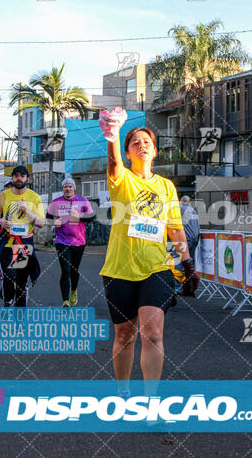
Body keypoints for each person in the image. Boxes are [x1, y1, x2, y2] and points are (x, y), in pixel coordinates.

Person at [98, 109, 200, 397]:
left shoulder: (167, 187)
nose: (141, 145)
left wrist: (188, 265)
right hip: (119, 270)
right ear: (129, 153)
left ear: (155, 152)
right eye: (135, 143)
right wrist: (113, 135)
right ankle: (123, 391)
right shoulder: (122, 180)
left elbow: (175, 229)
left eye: (146, 142)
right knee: (124, 336)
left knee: (153, 335)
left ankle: (152, 400)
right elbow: (113, 162)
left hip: (156, 268)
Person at [0, 165, 45, 307]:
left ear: (28, 178)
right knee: (8, 278)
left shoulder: (34, 197)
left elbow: (41, 223)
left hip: (22, 245)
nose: (19, 178)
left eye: (22, 176)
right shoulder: (4, 195)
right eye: (16, 175)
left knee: (20, 283)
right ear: (12, 178)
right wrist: (0, 220)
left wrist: (27, 211)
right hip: (6, 243)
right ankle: (8, 301)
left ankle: (19, 320)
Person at [47, 177, 95, 307]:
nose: (68, 189)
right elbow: (48, 217)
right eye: (65, 187)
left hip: (79, 242)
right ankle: (65, 301)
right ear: (62, 189)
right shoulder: (56, 202)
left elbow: (91, 217)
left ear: (74, 188)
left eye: (70, 186)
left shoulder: (82, 201)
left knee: (74, 270)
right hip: (62, 241)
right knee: (65, 270)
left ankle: (74, 290)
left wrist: (80, 217)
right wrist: (53, 222)